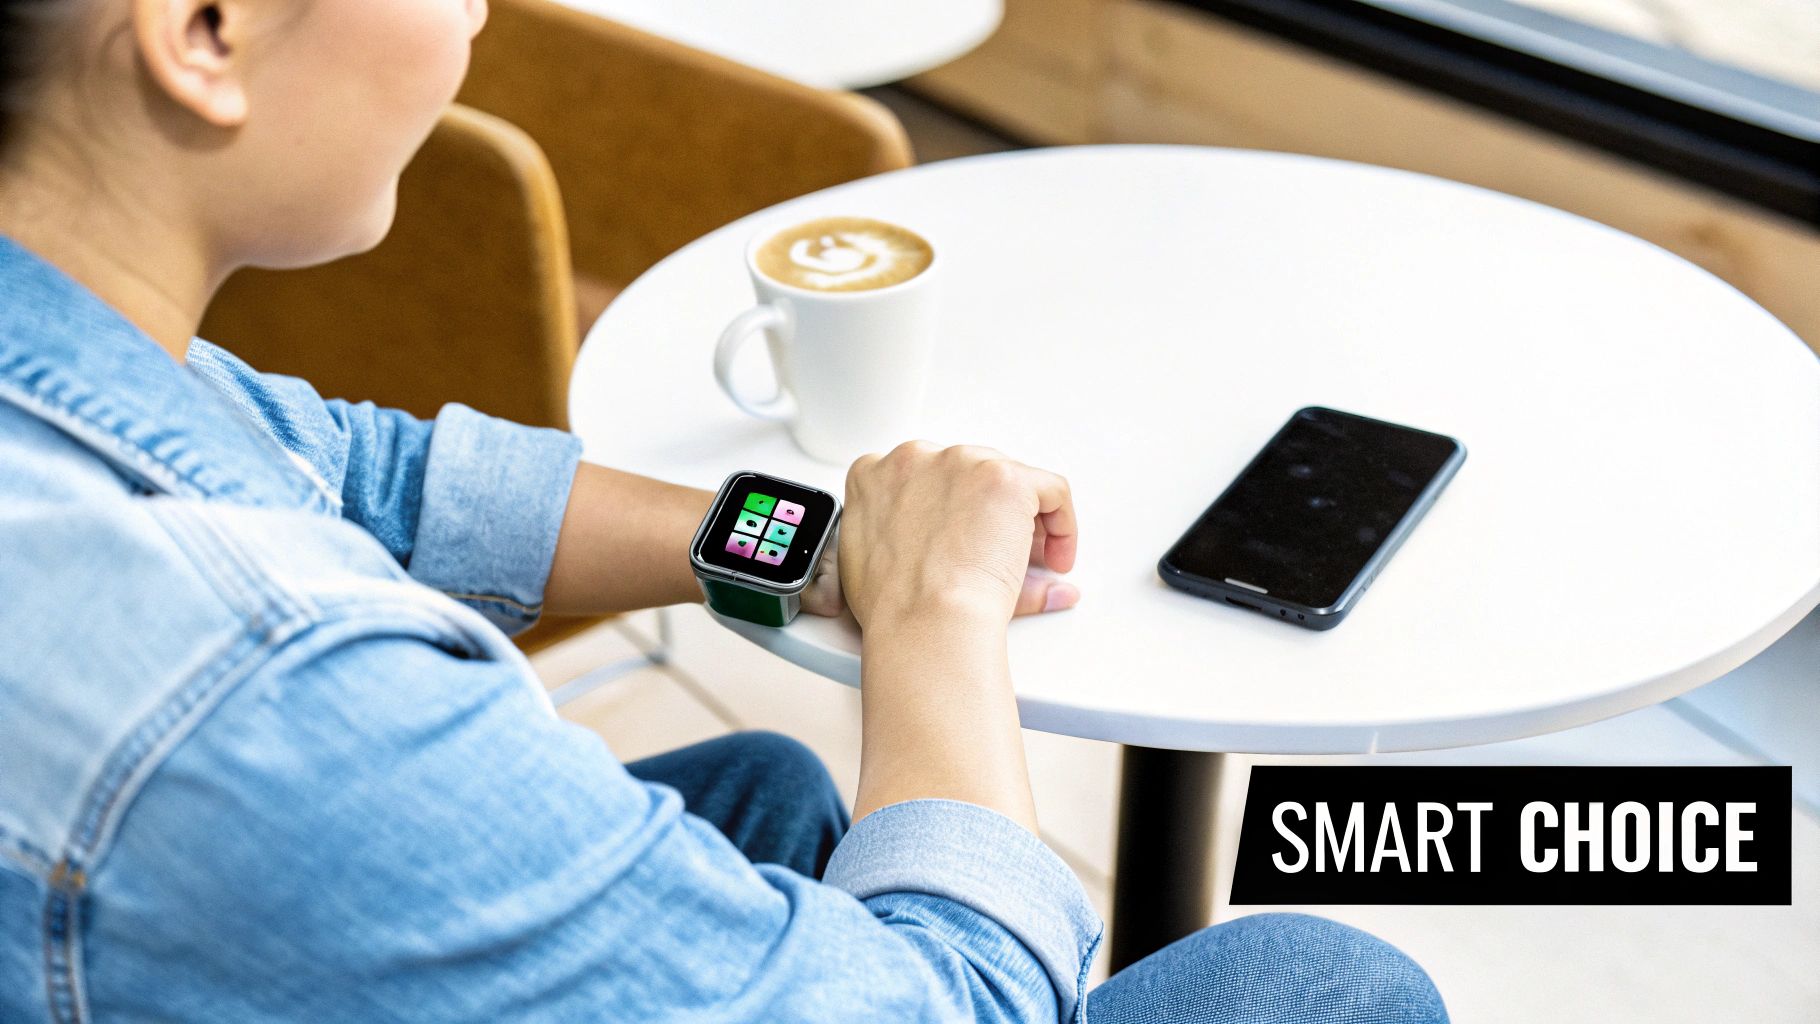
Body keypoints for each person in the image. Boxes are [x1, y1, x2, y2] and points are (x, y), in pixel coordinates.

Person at [0, 1, 1449, 1021]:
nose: (478, 18)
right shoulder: (270, 687)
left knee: (768, 791)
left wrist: (820, 552)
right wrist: (932, 615)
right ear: (205, 29)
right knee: (1328, 987)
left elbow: (369, 478)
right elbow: (948, 1009)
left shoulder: (69, 369)